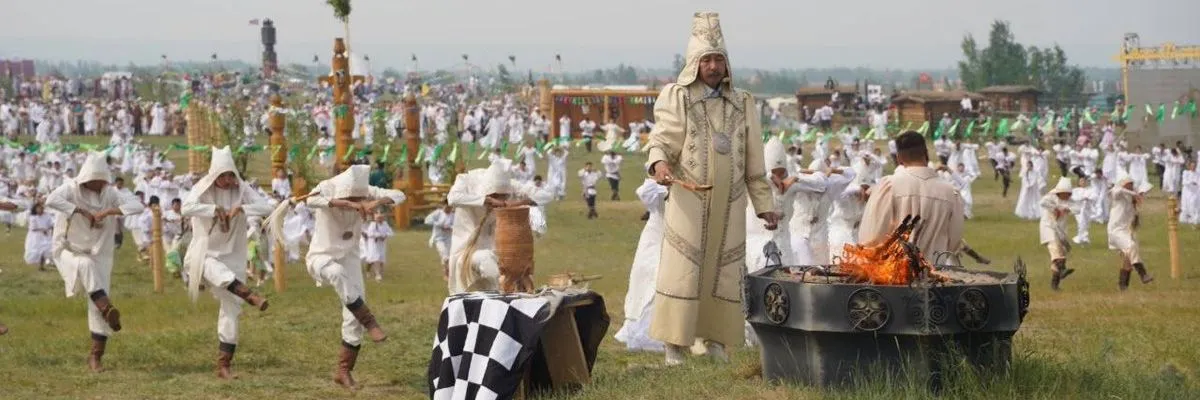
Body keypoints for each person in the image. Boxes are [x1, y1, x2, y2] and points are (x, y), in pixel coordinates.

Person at [643, 11, 778, 366]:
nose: (714, 66)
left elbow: (754, 159)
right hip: (690, 198)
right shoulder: (679, 96)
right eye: (707, 60)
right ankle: (675, 345)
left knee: (725, 269)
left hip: (730, 203)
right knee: (684, 267)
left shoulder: (742, 101)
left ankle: (716, 341)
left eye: (719, 59)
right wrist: (659, 162)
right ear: (694, 63)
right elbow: (663, 138)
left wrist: (764, 203)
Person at [45, 152, 145, 372]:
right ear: (87, 177)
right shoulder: (71, 189)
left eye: (102, 179)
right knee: (85, 266)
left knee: (97, 300)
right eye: (96, 179)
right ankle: (106, 306)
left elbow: (137, 206)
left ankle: (95, 356)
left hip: (100, 252)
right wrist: (80, 210)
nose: (99, 183)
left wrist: (109, 211)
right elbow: (50, 199)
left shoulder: (110, 193)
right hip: (68, 249)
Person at [182, 146, 273, 379]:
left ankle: (224, 365)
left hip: (232, 254)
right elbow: (186, 207)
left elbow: (267, 207)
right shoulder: (201, 189)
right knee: (217, 271)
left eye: (230, 175)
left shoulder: (242, 190)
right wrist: (215, 209)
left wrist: (241, 207)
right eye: (222, 176)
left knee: (231, 309)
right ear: (214, 176)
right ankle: (250, 295)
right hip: (203, 255)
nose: (228, 180)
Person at [445, 159, 554, 294]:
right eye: (495, 196)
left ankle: (507, 299)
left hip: (500, 247)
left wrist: (527, 203)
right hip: (467, 249)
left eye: (503, 197)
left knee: (518, 269)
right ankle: (502, 297)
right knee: (488, 262)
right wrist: (487, 201)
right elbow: (452, 198)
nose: (500, 200)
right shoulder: (467, 181)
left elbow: (545, 196)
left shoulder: (510, 185)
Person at [859, 131, 963, 255]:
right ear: (926, 153)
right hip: (934, 269)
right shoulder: (951, 192)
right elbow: (953, 243)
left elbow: (871, 238)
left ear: (898, 158)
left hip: (894, 269)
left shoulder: (890, 186)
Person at [615, 178, 668, 352]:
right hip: (656, 238)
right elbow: (647, 194)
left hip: (679, 239)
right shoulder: (656, 187)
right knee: (649, 281)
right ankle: (647, 334)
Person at [1108, 172, 1154, 290]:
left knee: (1128, 259)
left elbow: (1147, 186)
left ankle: (1123, 286)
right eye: (1128, 184)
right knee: (1131, 247)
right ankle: (1143, 274)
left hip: (1127, 231)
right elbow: (1116, 190)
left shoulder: (1131, 199)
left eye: (1131, 184)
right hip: (1116, 230)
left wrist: (1138, 194)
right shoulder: (1118, 195)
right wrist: (1133, 193)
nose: (1130, 186)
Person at [1040, 177, 1075, 291]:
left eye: (1067, 193)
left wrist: (1066, 209)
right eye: (1063, 193)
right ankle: (1063, 269)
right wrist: (1056, 208)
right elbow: (1043, 202)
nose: (1065, 195)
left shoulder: (1069, 201)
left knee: (1059, 253)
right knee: (1054, 247)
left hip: (1060, 230)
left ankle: (1055, 285)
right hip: (1048, 227)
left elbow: (1077, 209)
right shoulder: (1051, 197)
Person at [423, 202, 454, 280]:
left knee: (449, 257)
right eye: (447, 206)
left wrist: (449, 227)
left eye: (450, 207)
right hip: (438, 238)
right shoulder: (438, 213)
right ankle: (446, 273)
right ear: (444, 206)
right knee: (444, 254)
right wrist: (439, 225)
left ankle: (448, 272)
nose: (448, 208)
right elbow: (427, 220)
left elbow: (457, 226)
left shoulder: (453, 215)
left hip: (449, 238)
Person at [362, 210, 394, 282]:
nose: (380, 217)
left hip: (381, 244)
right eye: (378, 216)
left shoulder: (385, 224)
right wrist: (378, 236)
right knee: (375, 258)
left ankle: (379, 272)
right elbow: (370, 234)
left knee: (381, 259)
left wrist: (385, 236)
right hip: (373, 244)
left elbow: (390, 232)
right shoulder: (373, 224)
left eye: (381, 216)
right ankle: (377, 274)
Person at [24, 201, 53, 271]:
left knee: (45, 250)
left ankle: (42, 265)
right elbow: (33, 228)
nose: (40, 209)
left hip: (45, 236)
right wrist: (42, 230)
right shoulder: (33, 217)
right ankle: (40, 265)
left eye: (41, 208)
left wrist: (47, 229)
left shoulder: (47, 215)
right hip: (36, 237)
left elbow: (50, 224)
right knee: (38, 251)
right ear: (35, 209)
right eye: (38, 208)